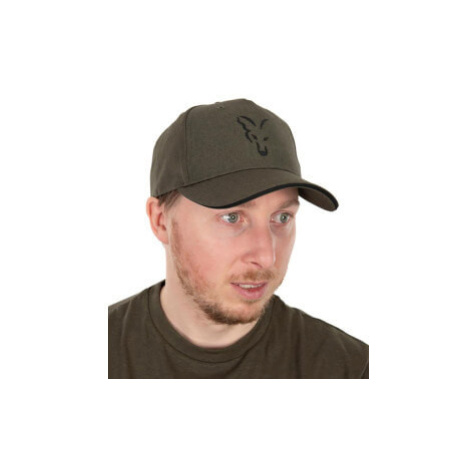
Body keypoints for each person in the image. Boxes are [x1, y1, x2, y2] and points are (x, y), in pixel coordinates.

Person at [108, 98, 369, 379]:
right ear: (160, 221)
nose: (266, 256)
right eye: (232, 217)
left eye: (282, 217)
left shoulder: (349, 369)